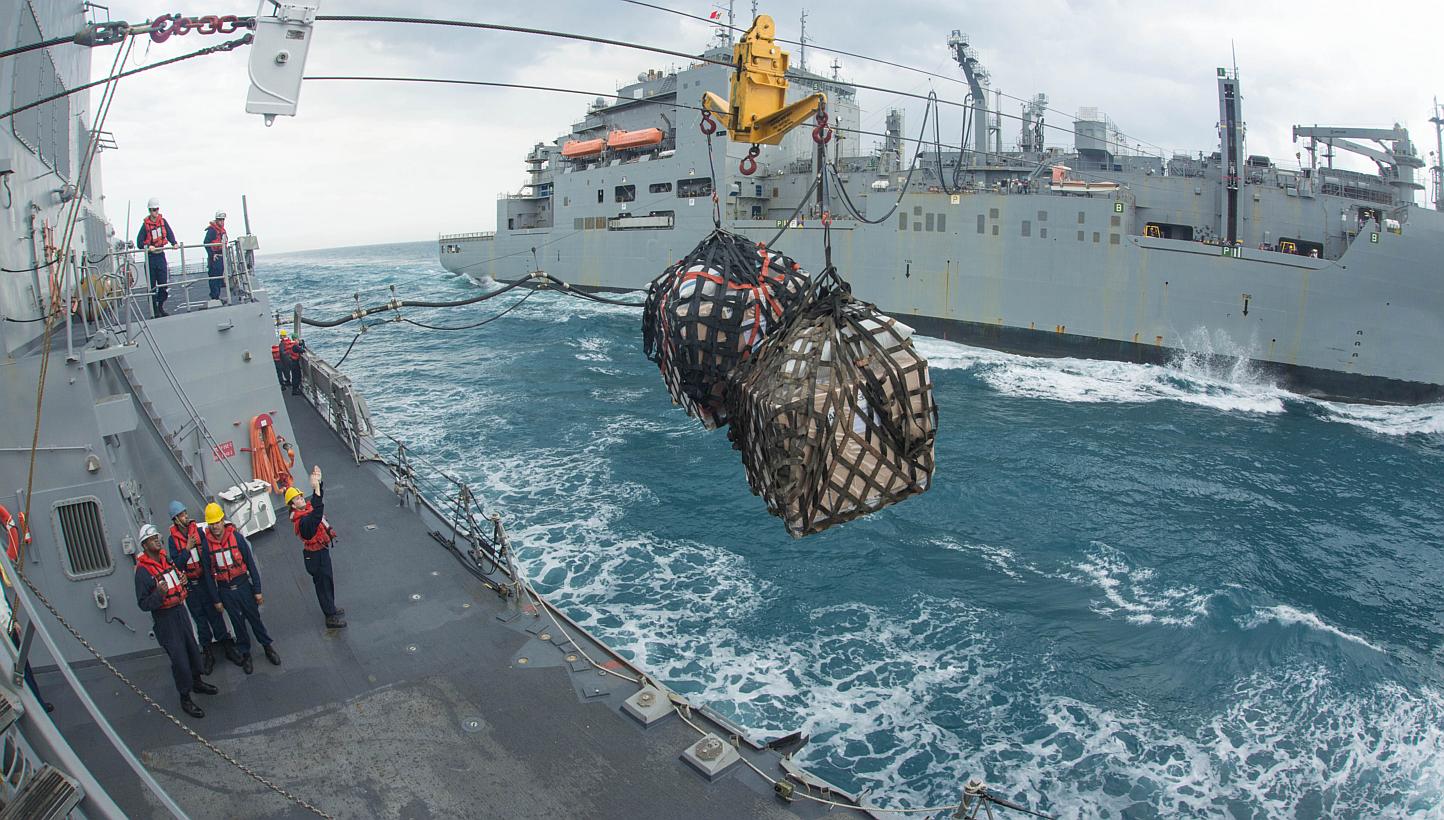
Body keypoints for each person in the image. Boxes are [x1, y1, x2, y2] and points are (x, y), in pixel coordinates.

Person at [134, 523, 217, 718]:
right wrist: (159, 595)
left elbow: (174, 578)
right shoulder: (143, 572)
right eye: (152, 539)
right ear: (144, 545)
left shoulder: (165, 560)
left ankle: (197, 682)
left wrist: (182, 582)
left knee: (191, 648)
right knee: (179, 659)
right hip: (166, 619)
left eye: (157, 537)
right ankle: (185, 697)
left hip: (180, 610)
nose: (157, 540)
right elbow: (143, 603)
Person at [200, 503, 280, 674]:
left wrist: (257, 590)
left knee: (254, 618)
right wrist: (216, 599)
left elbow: (251, 564)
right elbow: (208, 574)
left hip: (244, 586)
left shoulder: (236, 538)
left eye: (217, 522)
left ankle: (267, 646)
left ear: (223, 521)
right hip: (225, 590)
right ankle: (246, 654)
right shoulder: (207, 547)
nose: (215, 526)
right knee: (237, 624)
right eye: (212, 523)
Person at [167, 501, 241, 674]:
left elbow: (209, 555)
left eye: (185, 513)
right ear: (176, 520)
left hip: (204, 581)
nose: (186, 516)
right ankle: (208, 652)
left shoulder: (199, 532)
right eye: (182, 514)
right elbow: (177, 564)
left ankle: (227, 646)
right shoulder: (172, 541)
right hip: (191, 587)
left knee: (215, 615)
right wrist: (186, 549)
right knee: (200, 619)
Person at [285, 465, 347, 628]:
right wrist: (316, 490)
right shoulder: (303, 522)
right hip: (315, 556)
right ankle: (330, 617)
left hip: (322, 551)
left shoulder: (307, 510)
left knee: (328, 581)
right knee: (322, 585)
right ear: (292, 505)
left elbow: (315, 503)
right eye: (297, 499)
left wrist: (318, 482)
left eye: (300, 497)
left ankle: (331, 607)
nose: (300, 499)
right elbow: (317, 513)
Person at [136, 198, 178, 317]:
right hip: (150, 258)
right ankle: (154, 310)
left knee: (163, 284)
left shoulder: (163, 221)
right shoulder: (145, 226)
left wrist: (174, 243)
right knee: (152, 286)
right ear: (150, 210)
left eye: (157, 209)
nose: (155, 212)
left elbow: (169, 233)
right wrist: (148, 246)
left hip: (160, 256)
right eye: (153, 210)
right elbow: (139, 242)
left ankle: (160, 307)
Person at [203, 211, 228, 302]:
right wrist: (212, 254)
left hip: (221, 256)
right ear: (216, 220)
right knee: (214, 277)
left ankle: (217, 296)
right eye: (220, 220)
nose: (222, 222)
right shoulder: (212, 230)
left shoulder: (221, 230)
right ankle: (215, 297)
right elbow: (206, 242)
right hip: (215, 257)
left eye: (223, 220)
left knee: (219, 277)